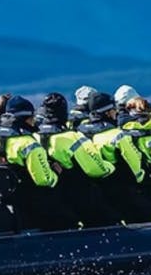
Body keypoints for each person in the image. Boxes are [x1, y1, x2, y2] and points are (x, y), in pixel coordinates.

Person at [0, 95, 73, 230]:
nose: (34, 120)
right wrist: (55, 173)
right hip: (31, 204)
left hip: (0, 203)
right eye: (32, 117)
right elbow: (44, 180)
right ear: (25, 119)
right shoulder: (29, 144)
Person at [36, 93, 117, 228]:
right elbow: (95, 170)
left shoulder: (34, 136)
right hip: (77, 198)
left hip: (47, 201)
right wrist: (110, 167)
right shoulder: (72, 137)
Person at [78, 92, 151, 224]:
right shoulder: (117, 135)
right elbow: (134, 164)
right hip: (121, 189)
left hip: (93, 192)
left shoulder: (80, 132)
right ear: (108, 112)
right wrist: (142, 179)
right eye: (114, 109)